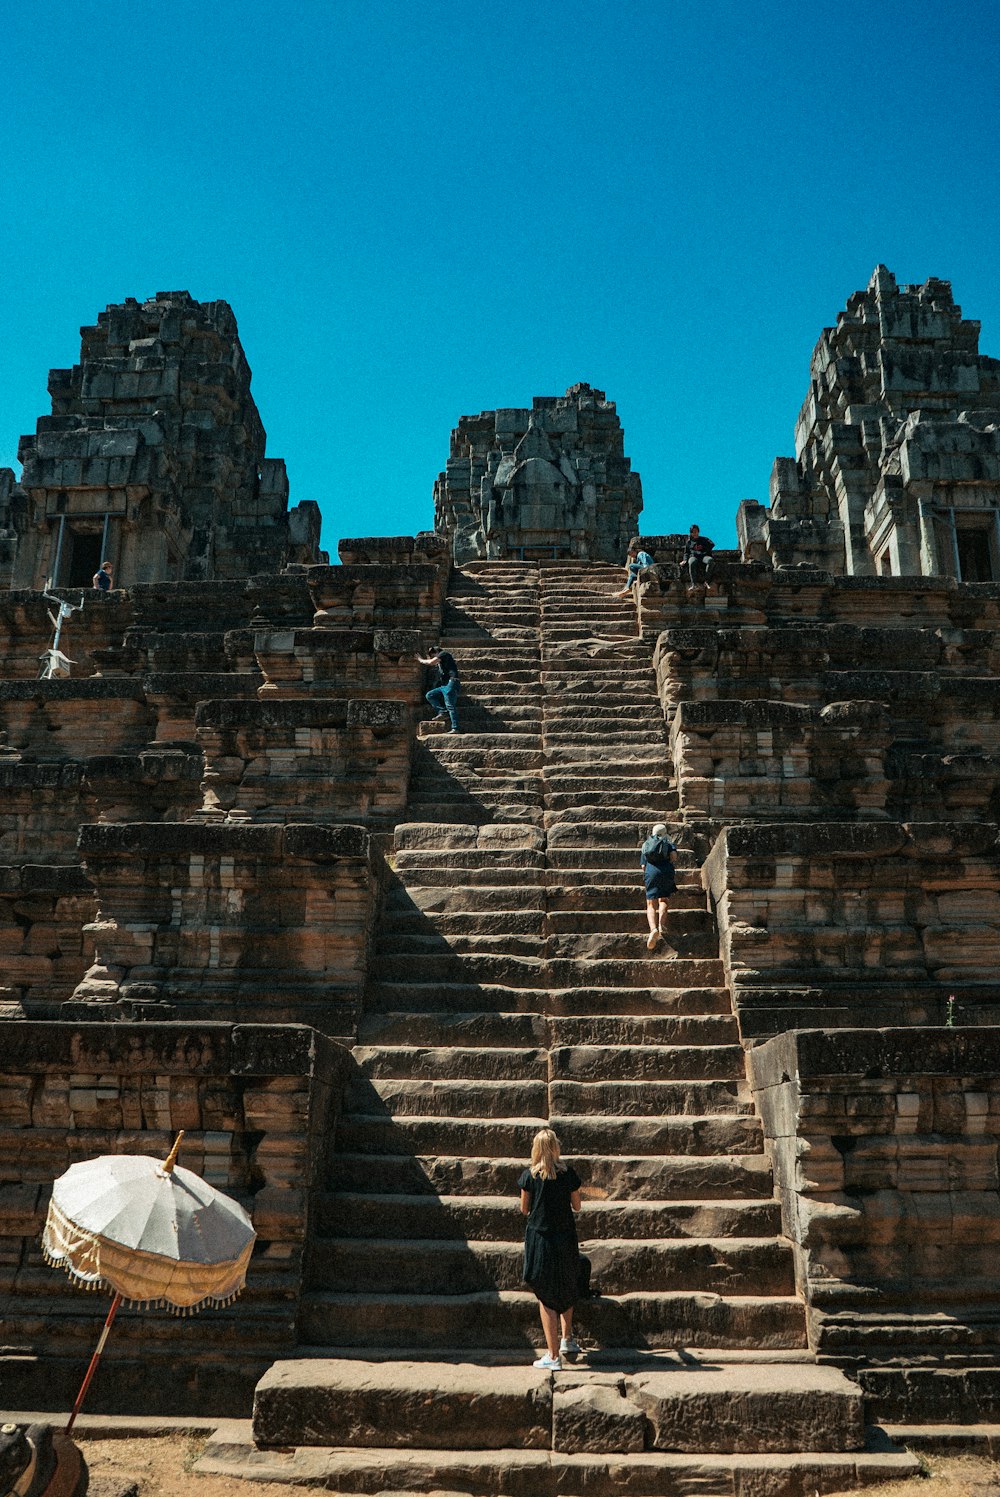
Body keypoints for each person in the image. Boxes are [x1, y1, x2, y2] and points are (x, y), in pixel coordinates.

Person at [519, 1128, 583, 1370]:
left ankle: (553, 1356)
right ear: (556, 1148)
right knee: (567, 1283)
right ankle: (567, 1339)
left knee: (545, 1293)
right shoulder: (568, 1175)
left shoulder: (529, 1177)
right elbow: (577, 1206)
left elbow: (524, 1209)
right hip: (565, 1237)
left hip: (541, 1239)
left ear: (536, 1149)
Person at [641, 821, 678, 951]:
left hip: (651, 872)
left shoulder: (646, 844)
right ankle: (662, 925)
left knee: (651, 904)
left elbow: (643, 866)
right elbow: (674, 857)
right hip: (666, 871)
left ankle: (653, 929)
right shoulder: (668, 843)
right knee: (664, 900)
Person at [417, 644, 461, 733]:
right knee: (430, 695)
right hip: (445, 685)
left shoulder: (444, 654)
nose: (433, 658)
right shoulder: (442, 661)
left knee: (450, 705)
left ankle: (455, 728)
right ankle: (443, 712)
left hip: (451, 682)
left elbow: (431, 662)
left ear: (436, 652)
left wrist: (420, 660)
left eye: (432, 656)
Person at [683, 525, 715, 593]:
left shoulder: (704, 539)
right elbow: (686, 553)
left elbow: (711, 544)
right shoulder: (689, 543)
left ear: (698, 532)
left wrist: (706, 551)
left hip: (703, 556)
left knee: (710, 561)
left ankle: (706, 581)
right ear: (691, 533)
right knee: (691, 562)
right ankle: (693, 584)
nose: (695, 533)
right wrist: (685, 560)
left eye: (696, 531)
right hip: (694, 557)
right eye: (693, 532)